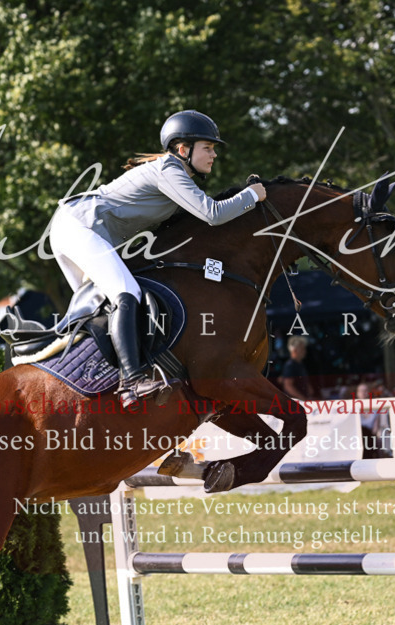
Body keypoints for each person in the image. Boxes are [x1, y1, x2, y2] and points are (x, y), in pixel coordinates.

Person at [48, 110, 266, 409]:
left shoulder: (177, 177)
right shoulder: (170, 169)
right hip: (79, 226)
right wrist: (251, 196)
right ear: (182, 149)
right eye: (208, 147)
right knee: (127, 293)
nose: (214, 154)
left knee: (99, 311)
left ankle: (96, 383)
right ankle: (133, 382)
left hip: (76, 228)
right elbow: (213, 214)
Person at [280, 336, 316, 401]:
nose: (305, 351)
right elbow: (288, 386)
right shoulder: (290, 365)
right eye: (302, 348)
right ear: (295, 350)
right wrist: (303, 399)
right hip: (295, 404)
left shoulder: (300, 364)